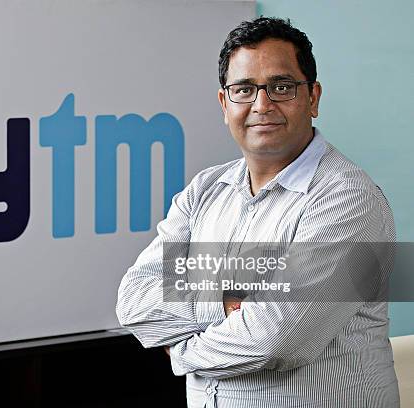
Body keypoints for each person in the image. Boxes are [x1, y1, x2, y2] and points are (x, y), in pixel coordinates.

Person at [115, 17, 400, 408]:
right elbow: (135, 298)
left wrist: (180, 352)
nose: (262, 105)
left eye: (281, 87)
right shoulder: (203, 191)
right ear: (224, 103)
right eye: (244, 89)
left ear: (313, 97)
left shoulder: (348, 199)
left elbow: (276, 338)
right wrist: (228, 302)